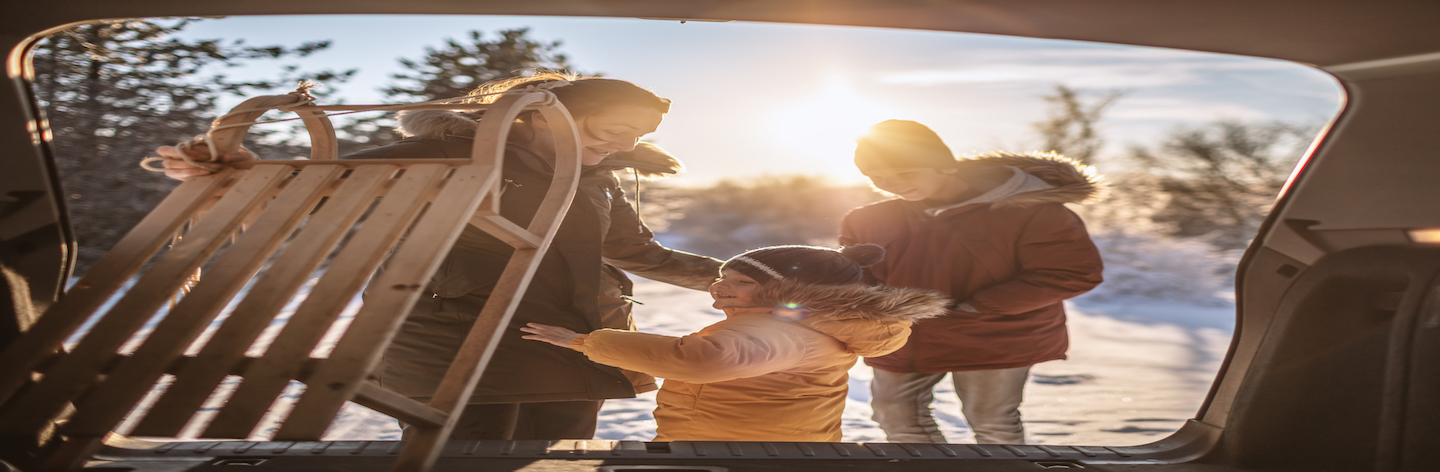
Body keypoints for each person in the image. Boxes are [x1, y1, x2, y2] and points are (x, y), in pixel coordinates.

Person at [152, 71, 723, 440]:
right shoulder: (448, 152)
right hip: (461, 341)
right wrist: (223, 174)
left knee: (559, 459)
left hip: (571, 342)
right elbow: (330, 182)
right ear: (553, 115)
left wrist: (755, 282)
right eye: (615, 130)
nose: (625, 146)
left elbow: (638, 252)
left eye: (636, 137)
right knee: (463, 457)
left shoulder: (596, 175)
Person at [840, 120, 1105, 445]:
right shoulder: (865, 219)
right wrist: (872, 307)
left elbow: (1073, 271)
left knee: (992, 423)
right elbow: (854, 274)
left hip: (993, 335)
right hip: (903, 337)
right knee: (894, 414)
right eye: (877, 178)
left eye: (906, 174)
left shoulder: (1032, 212)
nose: (893, 185)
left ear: (946, 167)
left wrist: (978, 306)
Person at [521, 244, 948, 442]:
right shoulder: (804, 324)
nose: (720, 287)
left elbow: (708, 360)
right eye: (723, 277)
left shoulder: (782, 332)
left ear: (785, 292)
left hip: (732, 452)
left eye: (741, 282)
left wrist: (587, 341)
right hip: (760, 446)